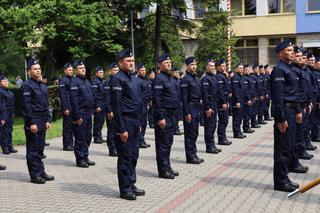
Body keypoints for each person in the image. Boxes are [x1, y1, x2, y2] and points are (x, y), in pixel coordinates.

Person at [110, 48, 145, 200]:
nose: (131, 63)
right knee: (125, 156)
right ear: (120, 63)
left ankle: (131, 183)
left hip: (134, 121)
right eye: (128, 61)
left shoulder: (133, 78)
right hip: (124, 121)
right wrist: (121, 128)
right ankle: (125, 189)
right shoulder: (117, 79)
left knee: (133, 155)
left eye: (132, 61)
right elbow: (116, 106)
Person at [270, 40, 301, 192]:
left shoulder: (290, 69)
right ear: (280, 53)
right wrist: (280, 119)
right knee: (282, 149)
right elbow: (278, 97)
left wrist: (297, 111)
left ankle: (285, 177)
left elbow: (294, 94)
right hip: (284, 113)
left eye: (292, 50)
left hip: (291, 111)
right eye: (289, 50)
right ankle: (280, 182)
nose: (292, 52)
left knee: (288, 147)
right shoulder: (278, 70)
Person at [21, 58, 54, 184]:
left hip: (42, 120)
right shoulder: (27, 86)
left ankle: (41, 172)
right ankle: (34, 175)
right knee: (33, 150)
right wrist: (31, 123)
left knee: (40, 149)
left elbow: (46, 105)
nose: (38, 71)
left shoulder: (42, 85)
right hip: (33, 120)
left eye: (39, 68)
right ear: (29, 72)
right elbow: (26, 106)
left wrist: (48, 119)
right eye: (35, 69)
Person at [153, 54, 180, 179]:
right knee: (162, 144)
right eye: (166, 62)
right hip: (163, 115)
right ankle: (163, 170)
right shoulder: (159, 79)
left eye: (170, 62)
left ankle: (167, 166)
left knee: (168, 143)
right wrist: (160, 118)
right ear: (160, 65)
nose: (169, 64)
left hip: (172, 115)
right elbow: (157, 100)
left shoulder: (171, 78)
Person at [69, 60, 95, 168]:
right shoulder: (74, 82)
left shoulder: (87, 81)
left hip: (88, 113)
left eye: (83, 67)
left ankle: (85, 156)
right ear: (75, 70)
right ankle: (80, 159)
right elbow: (74, 101)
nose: (83, 69)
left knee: (88, 136)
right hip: (81, 113)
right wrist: (77, 116)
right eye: (80, 68)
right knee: (80, 137)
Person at [181, 56, 204, 164]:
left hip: (197, 107)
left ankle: (194, 154)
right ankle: (190, 157)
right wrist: (186, 112)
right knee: (189, 133)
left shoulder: (196, 78)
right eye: (191, 65)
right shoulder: (185, 79)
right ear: (187, 66)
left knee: (195, 133)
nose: (194, 66)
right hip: (190, 108)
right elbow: (184, 98)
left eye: (195, 64)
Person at [201, 59, 222, 154]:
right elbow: (204, 94)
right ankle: (209, 147)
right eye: (210, 66)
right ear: (207, 67)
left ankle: (212, 145)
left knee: (213, 125)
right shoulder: (205, 78)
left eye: (213, 66)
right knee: (209, 126)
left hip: (214, 103)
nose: (212, 68)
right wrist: (207, 108)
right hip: (209, 104)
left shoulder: (214, 77)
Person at [103, 62, 118, 157]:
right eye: (114, 70)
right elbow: (106, 98)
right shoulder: (108, 82)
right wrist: (109, 110)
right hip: (111, 110)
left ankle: (117, 147)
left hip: (118, 110)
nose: (116, 72)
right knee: (111, 130)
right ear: (110, 71)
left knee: (117, 129)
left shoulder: (118, 80)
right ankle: (112, 149)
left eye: (117, 70)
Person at [215, 59, 232, 145]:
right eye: (222, 66)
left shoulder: (223, 76)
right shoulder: (219, 77)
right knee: (223, 120)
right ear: (218, 67)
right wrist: (223, 102)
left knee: (225, 120)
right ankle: (221, 139)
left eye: (225, 65)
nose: (224, 67)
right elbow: (220, 91)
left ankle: (223, 137)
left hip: (226, 100)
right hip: (222, 101)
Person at [0, 75, 18, 154]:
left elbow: (12, 104)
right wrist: (3, 117)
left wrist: (13, 113)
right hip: (4, 114)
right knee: (4, 131)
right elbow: (1, 105)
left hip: (10, 114)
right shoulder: (0, 92)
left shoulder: (9, 92)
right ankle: (5, 147)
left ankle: (10, 146)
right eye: (4, 81)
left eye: (7, 81)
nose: (6, 82)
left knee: (10, 130)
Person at [58, 63, 74, 151]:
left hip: (73, 106)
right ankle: (67, 144)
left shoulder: (73, 80)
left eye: (71, 70)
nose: (71, 71)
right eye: (69, 70)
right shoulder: (63, 81)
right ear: (65, 71)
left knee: (72, 126)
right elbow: (62, 95)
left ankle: (71, 143)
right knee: (67, 126)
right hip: (67, 106)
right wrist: (65, 108)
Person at [136, 64, 151, 148]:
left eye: (145, 70)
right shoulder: (136, 80)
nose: (144, 72)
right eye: (142, 70)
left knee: (144, 123)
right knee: (140, 123)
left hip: (145, 104)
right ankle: (139, 140)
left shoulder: (146, 81)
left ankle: (142, 138)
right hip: (140, 105)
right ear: (138, 70)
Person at [231, 63, 247, 139]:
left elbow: (244, 89)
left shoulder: (242, 77)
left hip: (242, 99)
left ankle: (239, 131)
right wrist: (237, 101)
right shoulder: (235, 78)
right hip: (237, 100)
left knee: (240, 116)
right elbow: (235, 91)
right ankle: (236, 132)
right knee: (237, 117)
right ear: (236, 69)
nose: (241, 69)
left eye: (242, 68)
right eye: (239, 68)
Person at [92, 66, 106, 144]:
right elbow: (94, 95)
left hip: (102, 103)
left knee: (101, 121)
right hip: (98, 103)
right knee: (97, 122)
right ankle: (96, 137)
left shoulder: (101, 81)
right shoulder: (95, 82)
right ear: (96, 73)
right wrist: (96, 106)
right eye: (100, 72)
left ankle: (99, 136)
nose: (102, 74)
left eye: (102, 72)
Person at [242, 65, 255, 134]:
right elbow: (245, 90)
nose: (248, 71)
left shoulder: (249, 78)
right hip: (247, 99)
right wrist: (248, 99)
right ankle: (246, 127)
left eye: (249, 69)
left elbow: (252, 89)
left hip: (251, 98)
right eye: (247, 69)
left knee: (249, 113)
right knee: (247, 114)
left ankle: (248, 126)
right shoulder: (244, 78)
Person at [171, 67, 183, 135]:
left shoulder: (178, 80)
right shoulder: (172, 80)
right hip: (174, 101)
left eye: (178, 73)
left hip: (178, 100)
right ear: (173, 73)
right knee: (174, 116)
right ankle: (174, 129)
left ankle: (176, 127)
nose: (178, 74)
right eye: (177, 73)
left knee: (178, 115)